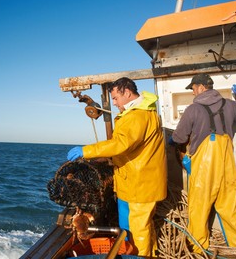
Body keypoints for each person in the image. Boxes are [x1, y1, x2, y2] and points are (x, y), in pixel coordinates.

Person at [67, 77, 167, 257]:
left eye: (115, 98)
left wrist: (86, 151)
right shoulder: (143, 112)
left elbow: (121, 144)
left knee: (138, 231)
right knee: (141, 227)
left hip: (140, 184)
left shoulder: (137, 115)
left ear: (127, 93)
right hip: (137, 182)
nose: (114, 103)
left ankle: (140, 257)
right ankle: (146, 254)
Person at [169, 73, 236, 253]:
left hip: (204, 164)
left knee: (199, 205)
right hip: (227, 160)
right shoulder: (230, 105)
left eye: (193, 89)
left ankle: (198, 247)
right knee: (230, 203)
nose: (193, 93)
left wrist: (171, 141)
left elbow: (179, 137)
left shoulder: (193, 110)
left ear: (201, 87)